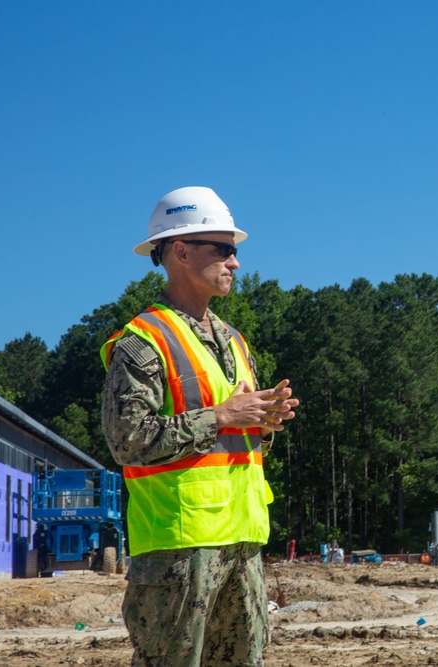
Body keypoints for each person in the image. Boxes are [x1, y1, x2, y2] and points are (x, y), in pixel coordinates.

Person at [101, 186, 299, 667]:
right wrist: (225, 415)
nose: (235, 262)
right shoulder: (142, 342)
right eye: (224, 250)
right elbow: (128, 442)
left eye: (236, 252)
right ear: (181, 252)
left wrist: (264, 422)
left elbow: (235, 439)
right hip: (176, 549)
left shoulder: (234, 341)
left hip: (242, 541)